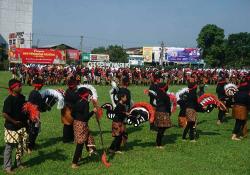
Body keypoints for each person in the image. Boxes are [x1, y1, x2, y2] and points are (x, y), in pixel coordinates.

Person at [2, 79, 28, 173]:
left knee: (20, 146)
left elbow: (24, 109)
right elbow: (4, 114)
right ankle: (7, 167)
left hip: (21, 126)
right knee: (9, 147)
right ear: (13, 88)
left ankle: (18, 163)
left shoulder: (22, 97)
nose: (21, 87)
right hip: (11, 127)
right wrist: (14, 121)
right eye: (19, 86)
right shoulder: (9, 100)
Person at [71, 87, 97, 169]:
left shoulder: (77, 101)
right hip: (82, 124)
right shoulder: (85, 103)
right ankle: (74, 163)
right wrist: (93, 111)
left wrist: (78, 118)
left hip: (76, 123)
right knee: (80, 144)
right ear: (86, 95)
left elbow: (72, 113)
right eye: (89, 95)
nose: (90, 97)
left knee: (88, 136)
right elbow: (86, 117)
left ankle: (90, 151)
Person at [27, 77, 45, 152]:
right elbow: (41, 106)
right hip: (34, 115)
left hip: (31, 113)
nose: (42, 86)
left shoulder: (32, 92)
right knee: (34, 130)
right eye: (41, 85)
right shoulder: (37, 94)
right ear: (38, 85)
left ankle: (31, 144)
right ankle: (29, 147)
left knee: (33, 129)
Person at [154, 82, 172, 148]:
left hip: (158, 112)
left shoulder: (157, 95)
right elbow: (168, 105)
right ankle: (159, 144)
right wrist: (169, 112)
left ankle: (158, 141)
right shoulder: (166, 96)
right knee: (162, 128)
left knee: (161, 128)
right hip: (163, 112)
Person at [61, 78, 78, 143]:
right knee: (67, 125)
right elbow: (73, 99)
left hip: (69, 108)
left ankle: (70, 138)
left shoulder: (70, 90)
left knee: (70, 125)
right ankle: (66, 139)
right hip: (68, 109)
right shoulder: (70, 91)